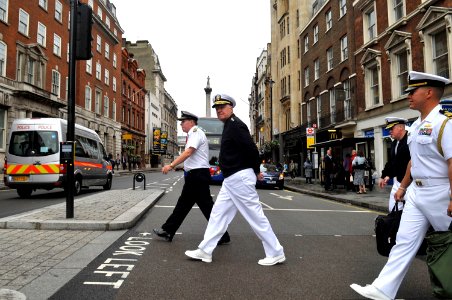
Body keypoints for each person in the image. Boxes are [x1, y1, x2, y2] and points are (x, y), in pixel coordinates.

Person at [350, 71, 452, 300]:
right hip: (416, 192)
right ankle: (383, 289)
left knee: (448, 243)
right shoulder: (416, 126)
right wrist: (403, 187)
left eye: (412, 91)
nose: (408, 95)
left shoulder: (444, 124)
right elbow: (414, 162)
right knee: (404, 241)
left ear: (428, 92)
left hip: (440, 192)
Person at [185, 94, 285, 266]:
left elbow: (252, 150)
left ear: (231, 107)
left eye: (222, 107)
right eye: (217, 108)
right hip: (231, 180)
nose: (219, 110)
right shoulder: (228, 126)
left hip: (240, 178)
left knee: (255, 216)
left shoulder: (236, 125)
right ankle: (205, 250)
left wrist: (256, 170)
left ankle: (276, 252)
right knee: (217, 214)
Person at [153, 111, 230, 244]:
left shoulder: (195, 132)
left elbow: (189, 152)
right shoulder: (193, 134)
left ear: (192, 122)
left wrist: (171, 165)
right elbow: (194, 157)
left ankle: (168, 230)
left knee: (193, 206)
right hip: (196, 175)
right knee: (191, 206)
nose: (181, 124)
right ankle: (169, 230)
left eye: (183, 121)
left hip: (197, 176)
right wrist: (184, 167)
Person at [379, 117, 411, 211]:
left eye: (391, 129)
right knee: (393, 210)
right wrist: (386, 175)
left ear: (400, 127)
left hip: (409, 183)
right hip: (397, 182)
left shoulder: (410, 141)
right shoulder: (394, 143)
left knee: (409, 212)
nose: (389, 131)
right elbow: (392, 162)